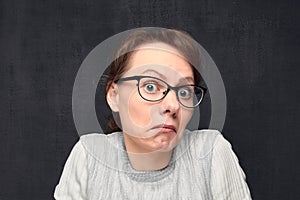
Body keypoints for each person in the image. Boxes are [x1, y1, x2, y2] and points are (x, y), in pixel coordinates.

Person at [54, 28, 252, 199]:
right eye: (150, 86)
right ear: (114, 95)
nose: (173, 105)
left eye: (184, 92)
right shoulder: (89, 157)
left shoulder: (210, 152)